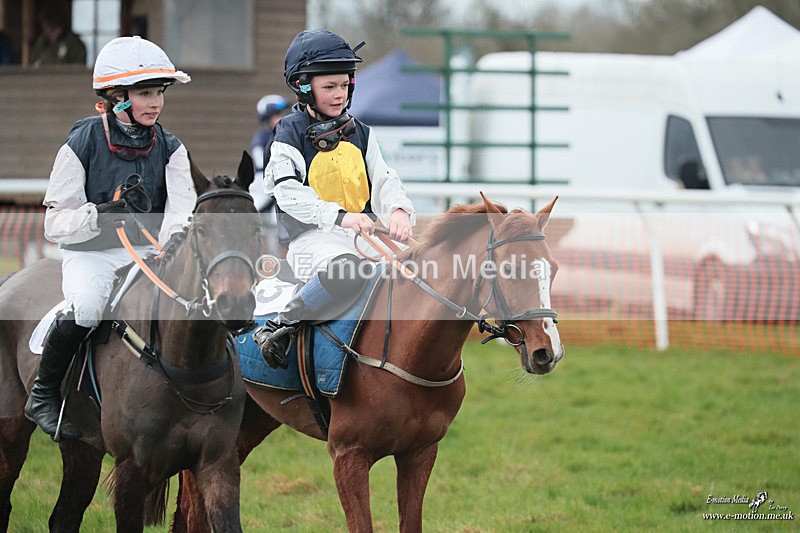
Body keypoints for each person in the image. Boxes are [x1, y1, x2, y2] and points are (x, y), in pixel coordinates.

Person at [24, 36, 196, 441]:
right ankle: (43, 395)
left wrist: (169, 250)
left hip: (147, 255)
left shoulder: (172, 147)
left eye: (158, 93)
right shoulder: (83, 139)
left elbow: (181, 213)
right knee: (87, 307)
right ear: (117, 98)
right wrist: (98, 214)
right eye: (144, 93)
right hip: (92, 255)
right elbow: (55, 223)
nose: (155, 102)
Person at [254, 29, 415, 367]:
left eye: (344, 86)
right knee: (348, 270)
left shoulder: (362, 132)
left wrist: (398, 211)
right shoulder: (288, 132)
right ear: (303, 86)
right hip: (312, 240)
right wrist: (340, 216)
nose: (339, 94)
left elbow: (385, 179)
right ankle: (279, 326)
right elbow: (286, 192)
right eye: (329, 87)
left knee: (416, 268)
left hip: (363, 233)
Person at [250, 94, 288, 212]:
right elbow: (263, 165)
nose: (284, 118)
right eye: (278, 115)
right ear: (267, 119)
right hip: (265, 183)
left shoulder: (287, 135)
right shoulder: (262, 138)